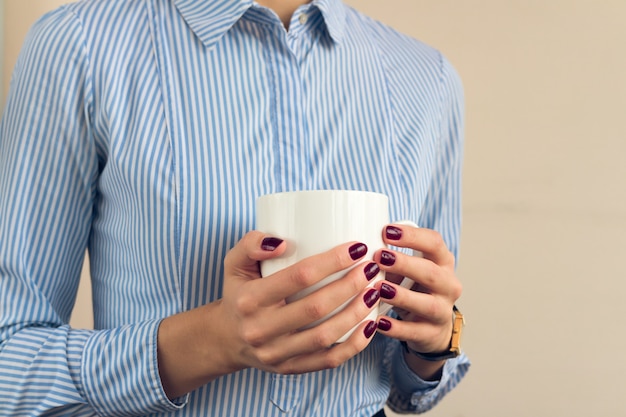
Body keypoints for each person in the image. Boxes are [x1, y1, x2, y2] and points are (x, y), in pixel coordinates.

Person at [0, 0, 470, 415]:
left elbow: (413, 391)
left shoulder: (427, 78)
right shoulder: (81, 46)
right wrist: (212, 342)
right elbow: (9, 360)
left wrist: (430, 345)